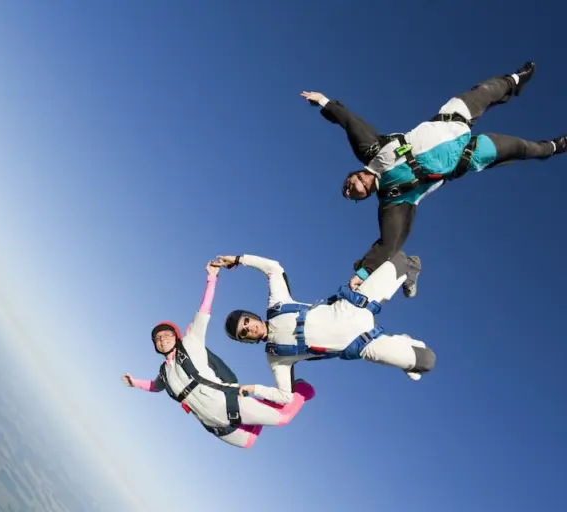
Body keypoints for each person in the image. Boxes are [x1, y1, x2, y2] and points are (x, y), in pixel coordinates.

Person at [301, 61, 566, 291]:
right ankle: (555, 147)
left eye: (347, 186)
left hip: (451, 119)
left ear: (354, 173)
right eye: (351, 195)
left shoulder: (372, 151)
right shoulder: (394, 200)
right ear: (365, 196)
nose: (350, 191)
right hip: (470, 153)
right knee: (522, 148)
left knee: (485, 91)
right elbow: (389, 242)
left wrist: (323, 101)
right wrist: (363, 273)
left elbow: (349, 122)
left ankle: (516, 79)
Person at [123, 260, 316, 449]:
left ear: (177, 336)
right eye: (157, 338)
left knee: (284, 418)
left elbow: (204, 310)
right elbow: (155, 386)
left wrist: (212, 279)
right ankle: (259, 409)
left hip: (232, 403)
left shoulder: (191, 342)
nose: (162, 339)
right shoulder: (164, 372)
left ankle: (301, 389)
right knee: (248, 442)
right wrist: (135, 383)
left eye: (167, 334)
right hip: (218, 426)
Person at [212, 253, 433, 405]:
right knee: (426, 361)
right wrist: (253, 389)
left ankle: (409, 276)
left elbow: (273, 269)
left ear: (252, 316)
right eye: (244, 332)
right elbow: (284, 396)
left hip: (355, 304)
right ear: (246, 340)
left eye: (247, 321)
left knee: (403, 260)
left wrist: (239, 260)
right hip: (363, 343)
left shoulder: (277, 305)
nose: (249, 328)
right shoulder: (276, 358)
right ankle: (403, 343)